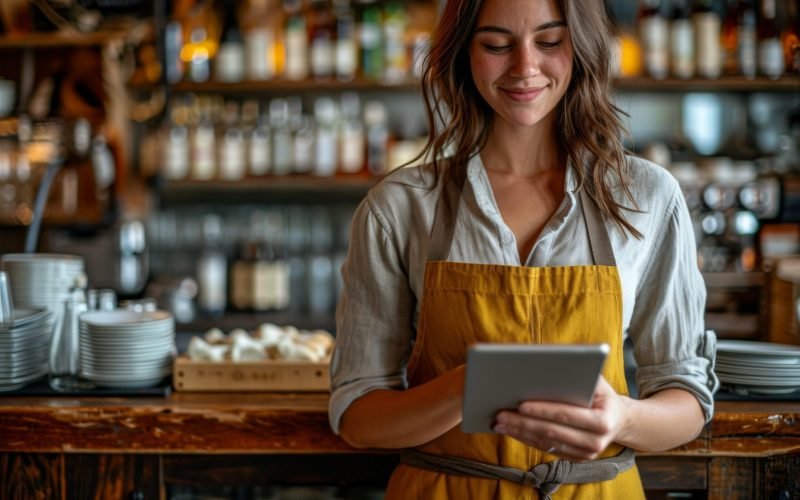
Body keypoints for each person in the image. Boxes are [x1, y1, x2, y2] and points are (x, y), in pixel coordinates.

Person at [329, 0, 718, 497]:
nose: (524, 67)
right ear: (462, 54)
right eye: (496, 45)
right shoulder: (400, 207)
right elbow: (359, 416)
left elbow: (686, 399)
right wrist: (469, 386)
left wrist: (621, 418)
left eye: (550, 42)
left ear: (582, 47)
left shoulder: (646, 197)